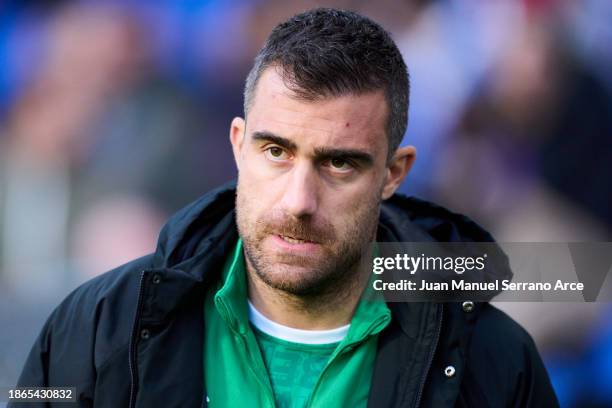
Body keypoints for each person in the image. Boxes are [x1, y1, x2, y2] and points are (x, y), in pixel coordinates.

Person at [12, 8, 558, 407]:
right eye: (276, 152)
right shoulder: (98, 327)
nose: (299, 201)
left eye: (340, 164)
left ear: (394, 174)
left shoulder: (494, 362)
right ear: (237, 145)